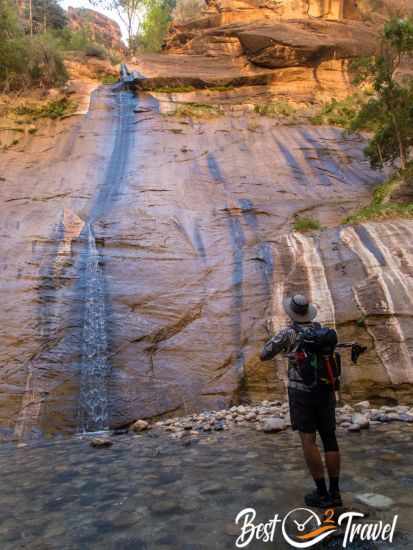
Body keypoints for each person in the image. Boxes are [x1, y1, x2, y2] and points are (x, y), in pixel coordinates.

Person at [260, 294, 342, 509]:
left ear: (292, 313)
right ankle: (335, 494)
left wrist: (288, 350)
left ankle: (322, 493)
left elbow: (264, 354)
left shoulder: (289, 333)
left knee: (309, 440)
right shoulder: (323, 332)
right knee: (330, 438)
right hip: (326, 390)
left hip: (301, 394)